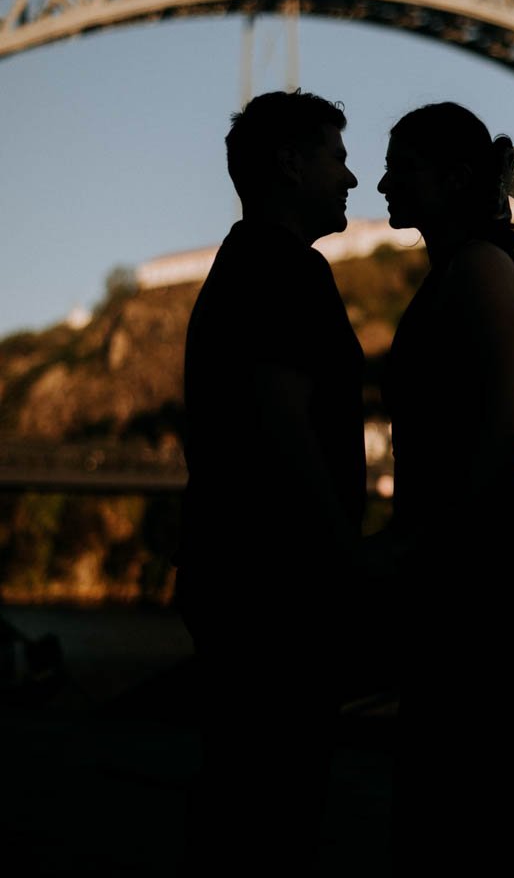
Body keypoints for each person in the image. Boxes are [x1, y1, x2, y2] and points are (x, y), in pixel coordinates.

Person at [377, 102, 514, 875]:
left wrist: (405, 546)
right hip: (469, 553)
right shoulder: (466, 269)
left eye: (403, 165)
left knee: (484, 791)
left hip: (483, 563)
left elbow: (497, 431)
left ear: (457, 178)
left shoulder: (482, 270)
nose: (383, 180)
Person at [174, 89, 366, 875]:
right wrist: (345, 562)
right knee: (278, 813)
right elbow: (285, 433)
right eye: (336, 158)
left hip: (237, 581)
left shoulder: (241, 264)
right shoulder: (285, 271)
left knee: (249, 804)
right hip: (278, 590)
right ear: (290, 165)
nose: (350, 179)